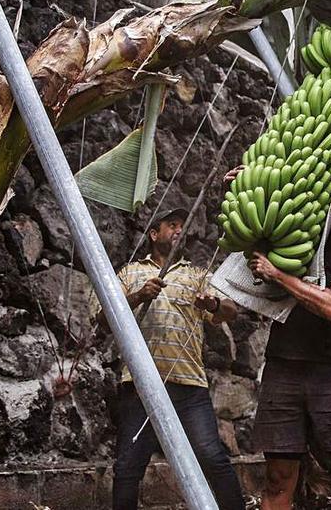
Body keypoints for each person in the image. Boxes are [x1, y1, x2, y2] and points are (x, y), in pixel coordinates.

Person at [224, 167, 331, 509]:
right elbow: (256, 223)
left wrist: (279, 275)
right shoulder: (303, 233)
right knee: (277, 480)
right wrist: (245, 185)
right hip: (283, 367)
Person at [92, 207, 245, 510]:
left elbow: (231, 310)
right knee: (127, 467)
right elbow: (103, 317)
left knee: (212, 457)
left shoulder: (196, 275)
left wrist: (212, 303)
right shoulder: (131, 273)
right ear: (153, 234)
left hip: (188, 384)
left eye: (181, 226)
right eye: (171, 225)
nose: (178, 230)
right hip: (139, 384)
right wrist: (137, 295)